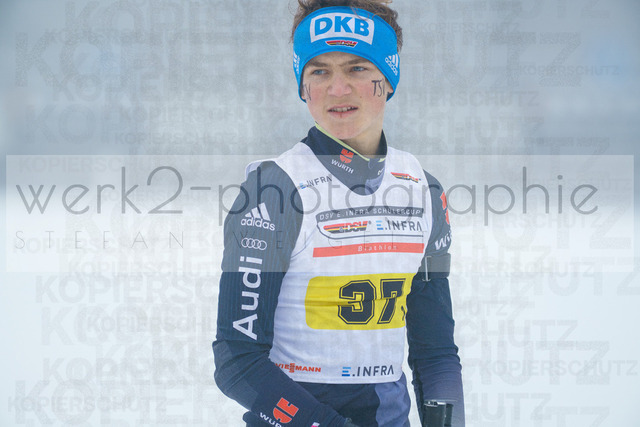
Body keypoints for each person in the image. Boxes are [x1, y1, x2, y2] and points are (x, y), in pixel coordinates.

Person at [212, 1, 465, 425]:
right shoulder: (273, 190)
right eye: (319, 72)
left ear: (388, 79)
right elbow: (237, 361)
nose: (338, 88)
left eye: (357, 68)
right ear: (303, 86)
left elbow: (435, 351)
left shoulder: (424, 189)